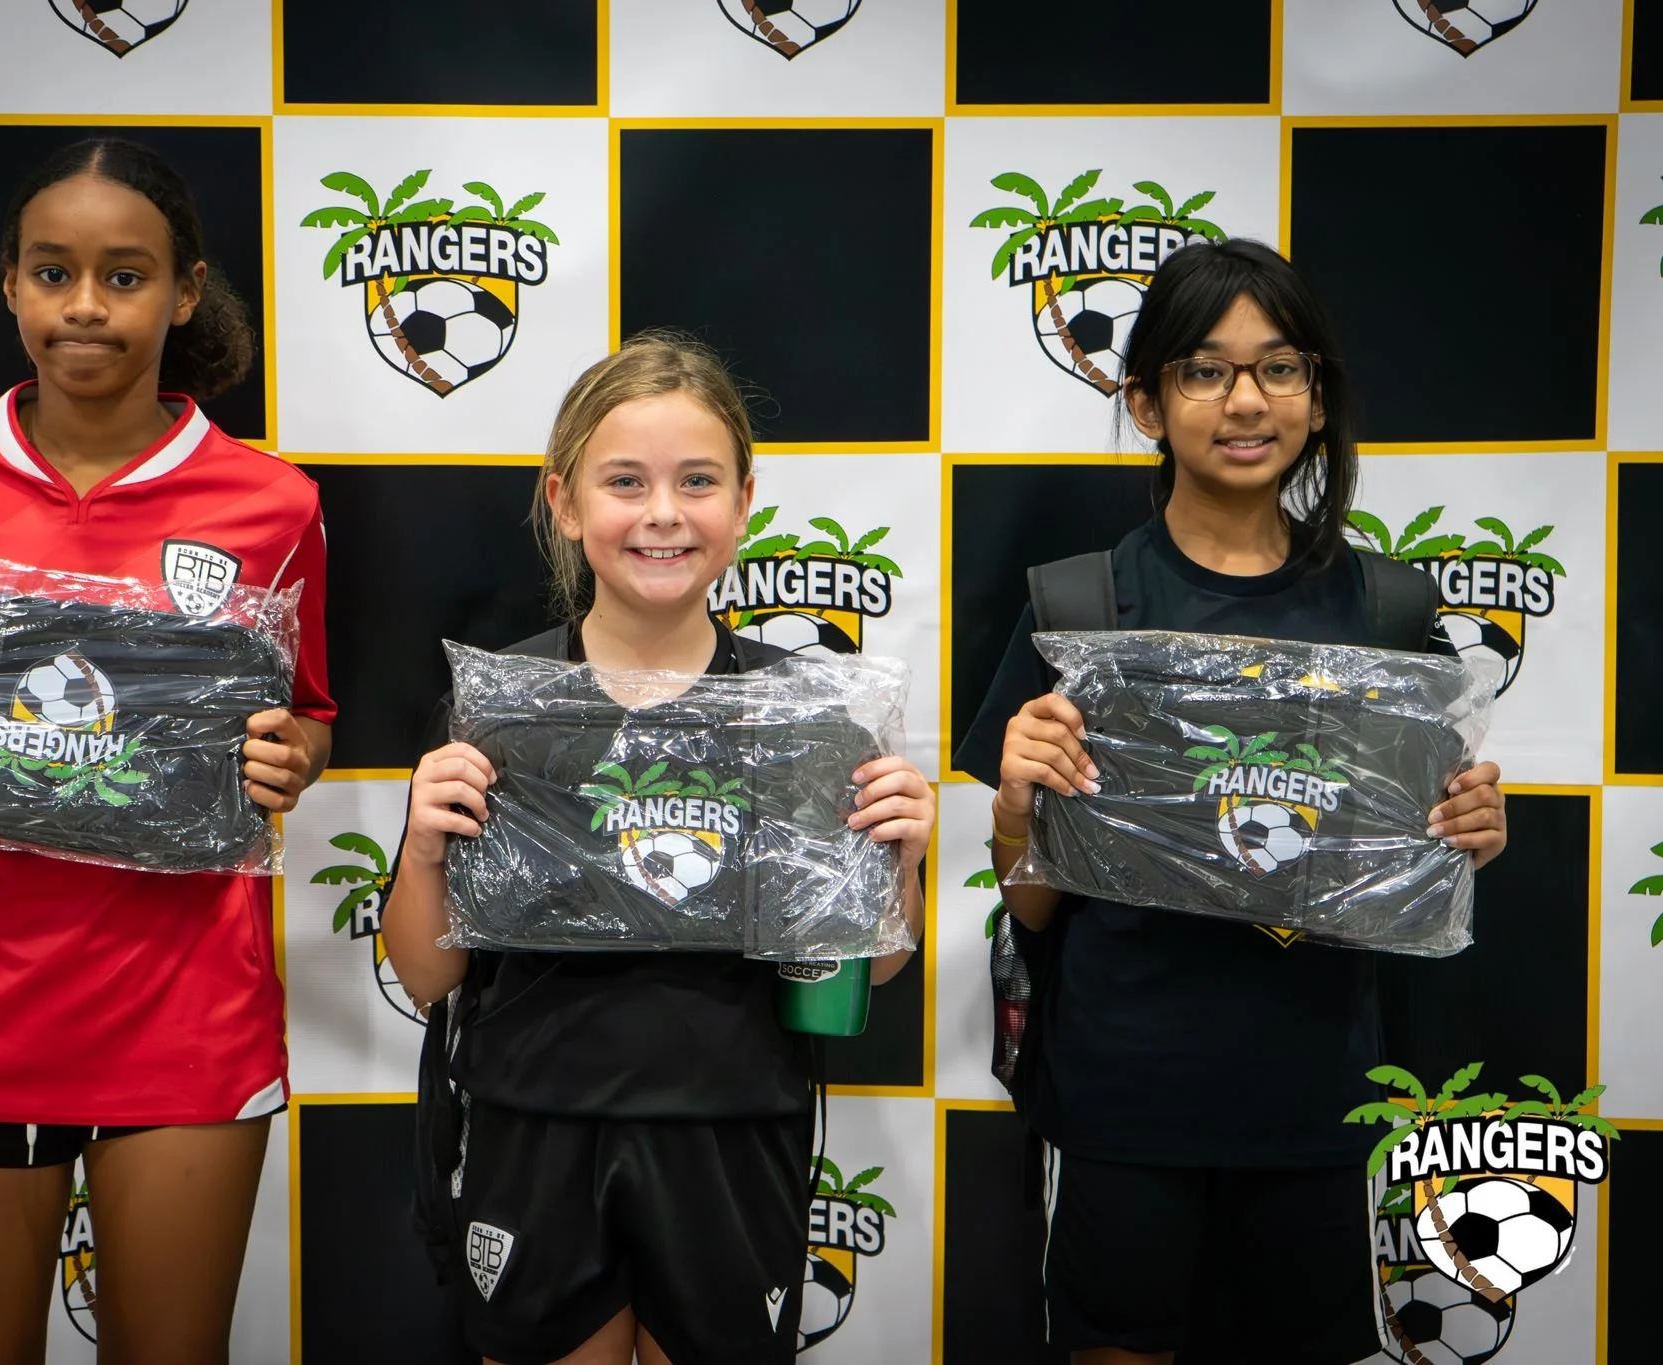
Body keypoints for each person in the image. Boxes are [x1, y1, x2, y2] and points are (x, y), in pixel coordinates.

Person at [0, 138, 333, 1365]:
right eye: (52, 272)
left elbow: (305, 711)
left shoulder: (274, 502)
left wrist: (290, 760)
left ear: (185, 292)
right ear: (8, 285)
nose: (84, 305)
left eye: (124, 275)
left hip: (186, 1011)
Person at [953, 239, 1508, 1365]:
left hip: (1308, 1097)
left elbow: (1400, 880)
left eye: (1278, 368)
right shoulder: (1079, 605)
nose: (1244, 399)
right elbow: (1032, 911)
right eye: (1203, 370)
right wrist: (1016, 815)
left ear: (1316, 398)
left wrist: (1461, 840)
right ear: (1147, 402)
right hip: (1122, 1095)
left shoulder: (1390, 613)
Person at [381, 333, 935, 1365]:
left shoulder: (808, 716)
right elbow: (424, 976)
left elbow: (871, 972)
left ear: (744, 500)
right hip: (531, 1128)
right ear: (562, 500)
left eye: (696, 482)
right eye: (624, 482)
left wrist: (895, 866)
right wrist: (418, 851)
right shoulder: (500, 705)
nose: (663, 514)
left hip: (732, 1132)